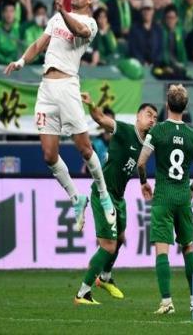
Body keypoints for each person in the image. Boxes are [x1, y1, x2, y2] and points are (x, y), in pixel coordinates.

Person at [5, 0, 117, 231]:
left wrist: (62, 11)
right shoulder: (56, 19)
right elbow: (39, 45)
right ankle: (77, 199)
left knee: (85, 149)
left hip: (68, 86)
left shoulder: (90, 23)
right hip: (46, 89)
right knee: (48, 155)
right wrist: (21, 61)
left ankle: (103, 194)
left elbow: (78, 30)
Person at [75, 93, 158, 304]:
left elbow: (140, 164)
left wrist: (143, 182)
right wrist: (92, 104)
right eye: (149, 114)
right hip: (104, 194)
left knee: (120, 239)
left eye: (155, 117)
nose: (152, 120)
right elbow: (101, 118)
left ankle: (104, 277)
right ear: (138, 116)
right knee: (108, 246)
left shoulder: (147, 143)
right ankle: (83, 293)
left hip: (118, 198)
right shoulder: (125, 130)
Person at [138, 84, 193, 314]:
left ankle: (167, 302)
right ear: (185, 107)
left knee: (162, 250)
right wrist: (191, 188)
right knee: (188, 247)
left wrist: (144, 182)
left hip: (163, 197)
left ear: (167, 104)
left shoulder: (158, 131)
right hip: (182, 197)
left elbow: (141, 162)